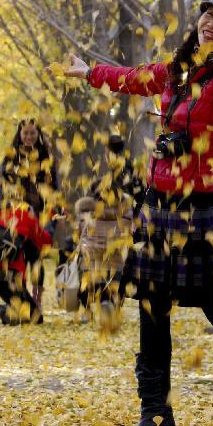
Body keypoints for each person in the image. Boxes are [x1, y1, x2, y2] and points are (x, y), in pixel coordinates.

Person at [58, 0, 213, 426]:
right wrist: (89, 73)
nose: (210, 23)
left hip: (199, 213)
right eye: (207, 14)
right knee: (151, 311)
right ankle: (155, 417)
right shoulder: (178, 70)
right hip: (158, 211)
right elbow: (135, 77)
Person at [74, 135, 136, 316]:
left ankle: (87, 309)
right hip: (115, 260)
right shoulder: (124, 213)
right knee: (116, 281)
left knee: (88, 280)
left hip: (91, 259)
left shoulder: (87, 212)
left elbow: (79, 234)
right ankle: (112, 306)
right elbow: (130, 232)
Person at [1, 119, 58, 309]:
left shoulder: (46, 156)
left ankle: (38, 299)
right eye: (25, 133)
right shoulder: (12, 156)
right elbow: (5, 182)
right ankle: (22, 296)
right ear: (19, 134)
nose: (28, 137)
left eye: (32, 133)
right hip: (17, 213)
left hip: (41, 214)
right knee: (17, 255)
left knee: (36, 257)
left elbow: (53, 186)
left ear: (38, 134)